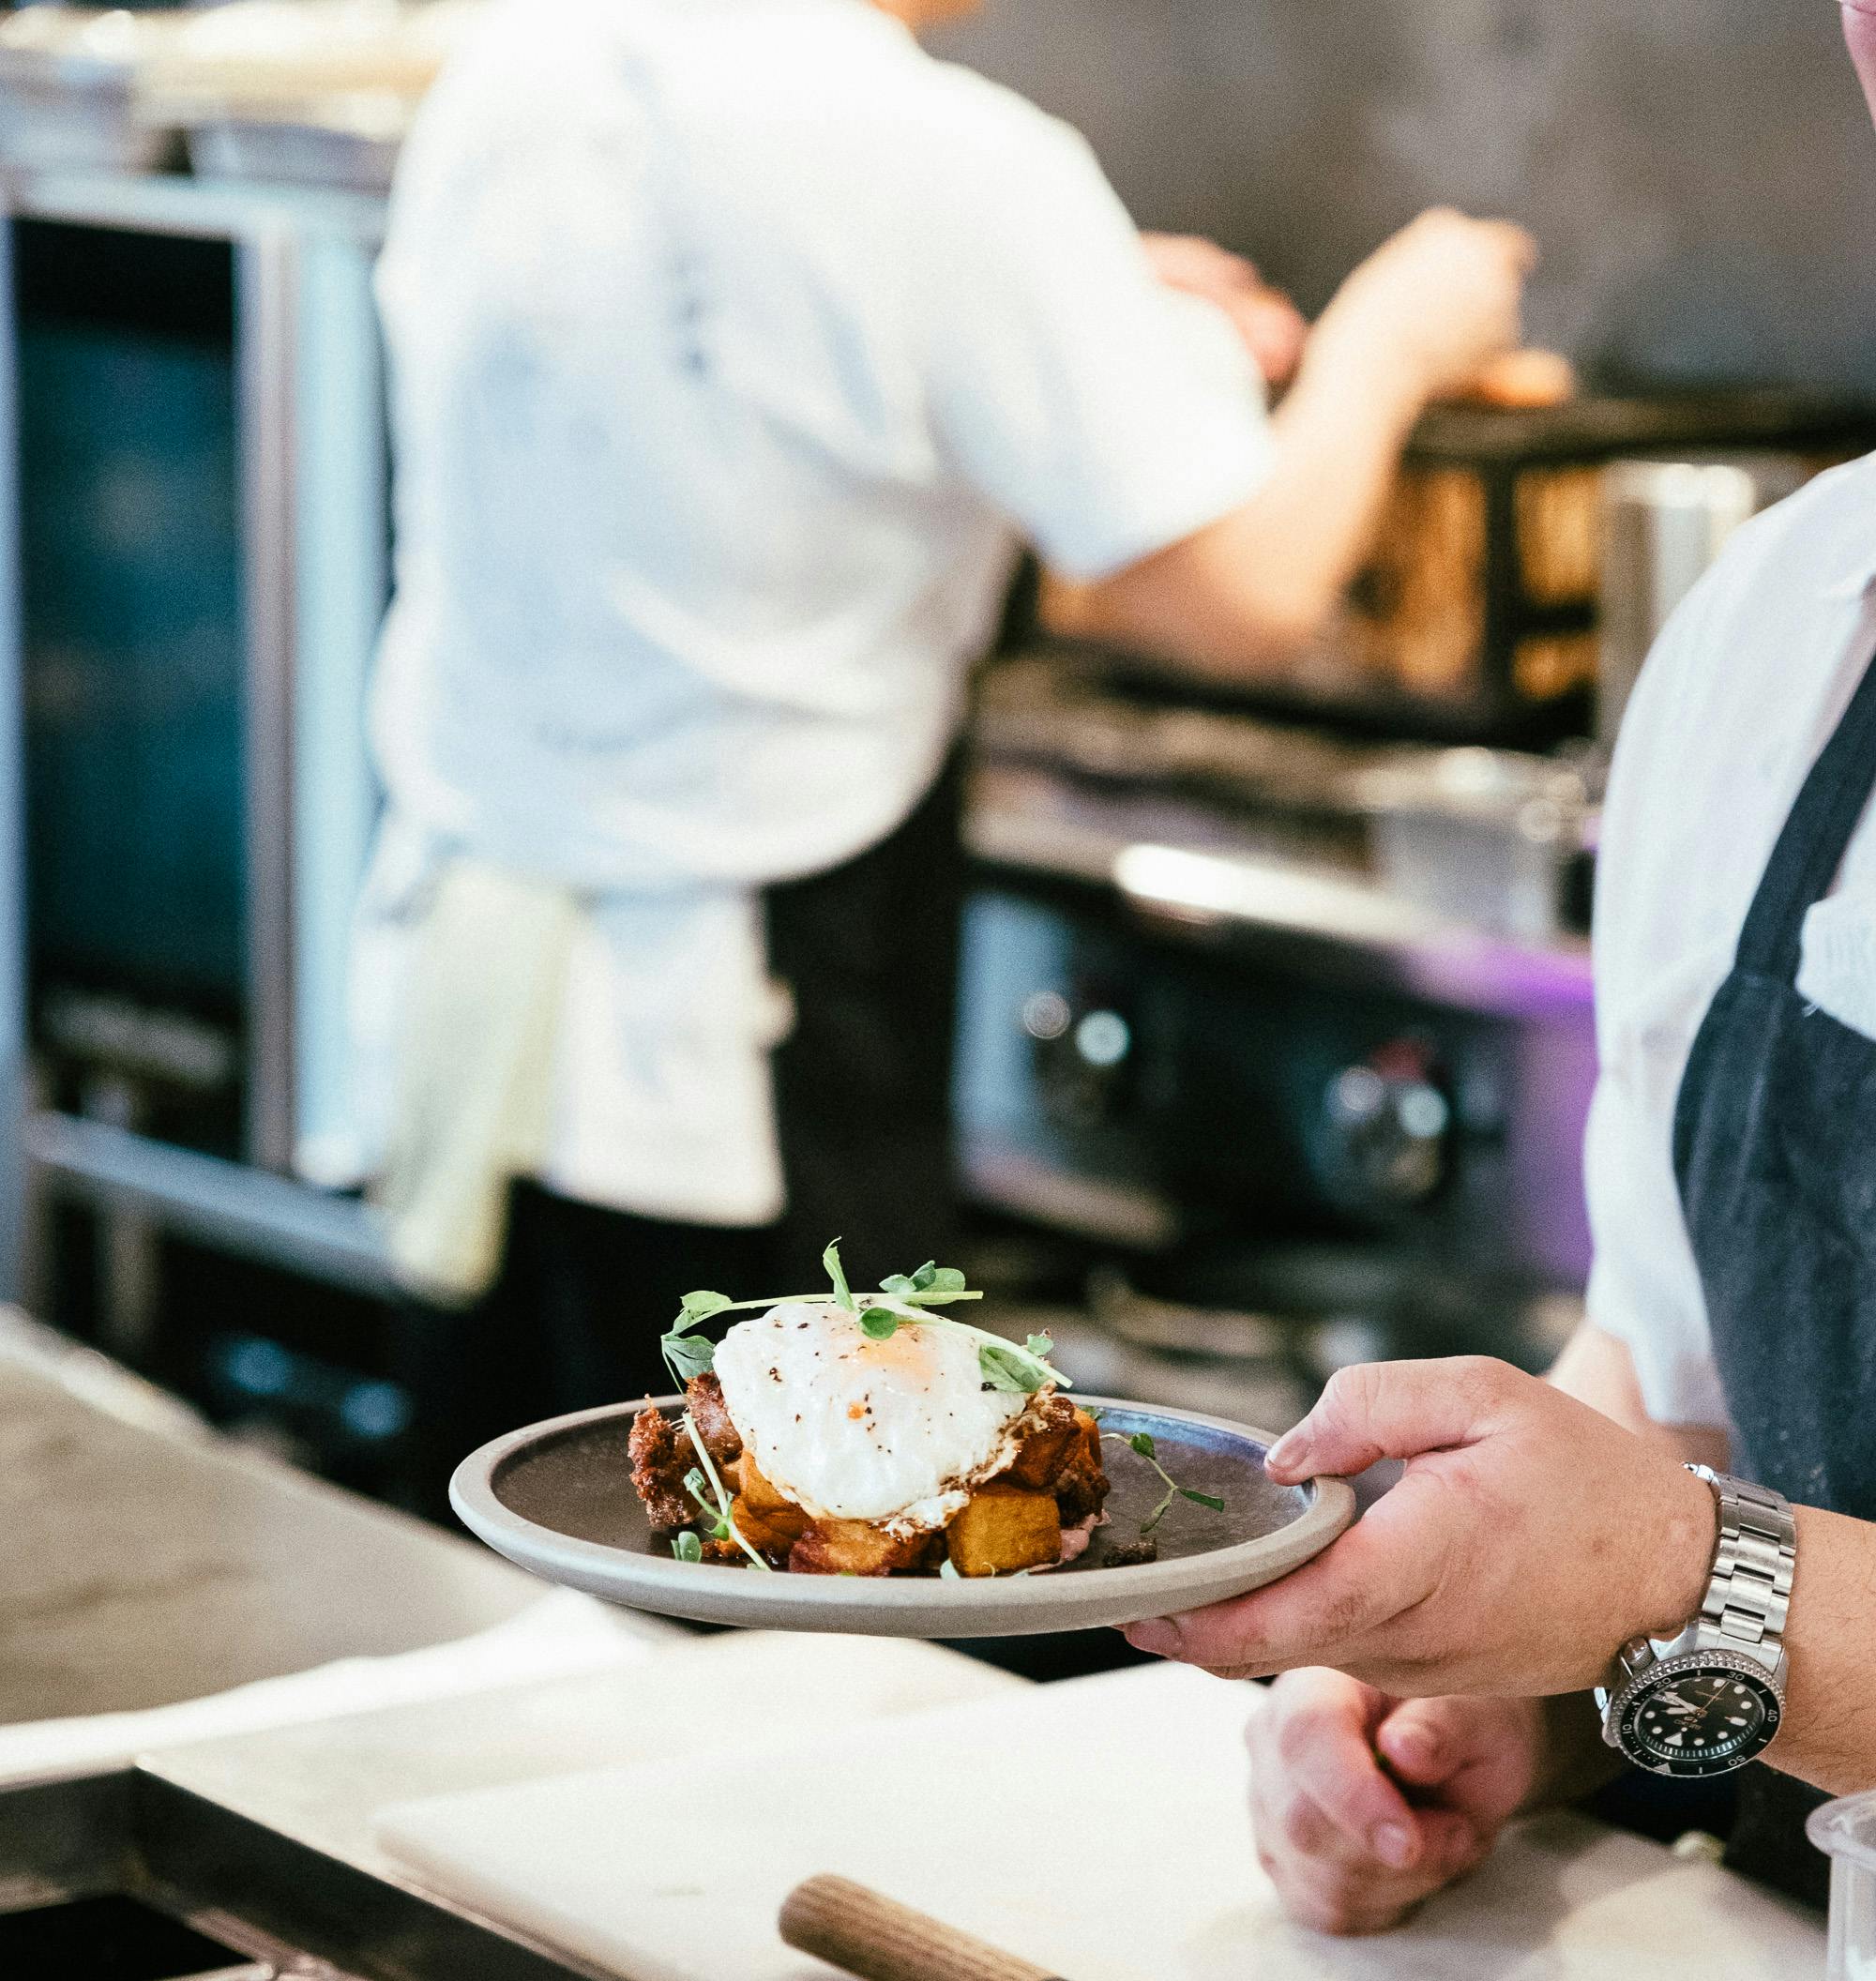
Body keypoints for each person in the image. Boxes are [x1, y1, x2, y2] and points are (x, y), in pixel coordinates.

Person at [338, 0, 1535, 1512]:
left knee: (526, 1544)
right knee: (799, 1576)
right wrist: (1394, 338)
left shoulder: (525, 58)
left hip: (478, 974)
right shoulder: (953, 160)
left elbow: (731, 361)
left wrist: (1086, 307)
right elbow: (1239, 598)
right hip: (757, 1018)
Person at [1126, 0, 1876, 1934]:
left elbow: (1695, 1546)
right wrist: (1473, 1670)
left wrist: (1678, 1583)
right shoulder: (1787, 631)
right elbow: (1679, 1388)